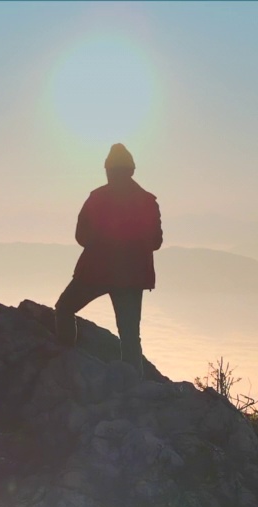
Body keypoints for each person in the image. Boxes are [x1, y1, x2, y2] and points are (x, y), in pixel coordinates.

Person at [54, 143, 163, 372]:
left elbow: (81, 236)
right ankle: (134, 385)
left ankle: (65, 364)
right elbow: (156, 242)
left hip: (95, 270)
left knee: (64, 308)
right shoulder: (147, 202)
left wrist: (102, 245)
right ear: (131, 170)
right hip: (132, 277)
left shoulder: (97, 198)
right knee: (130, 335)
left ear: (108, 170)